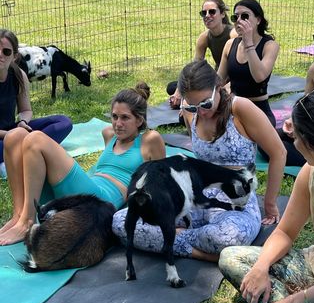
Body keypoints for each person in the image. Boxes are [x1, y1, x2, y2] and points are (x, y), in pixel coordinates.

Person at [112, 60, 286, 263]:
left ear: (218, 88)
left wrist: (270, 203)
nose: (201, 112)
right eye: (193, 107)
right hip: (192, 196)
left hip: (233, 203)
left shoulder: (240, 109)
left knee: (227, 237)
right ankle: (199, 251)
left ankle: (173, 238)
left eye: (205, 103)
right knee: (121, 221)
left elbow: (278, 153)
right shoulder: (189, 110)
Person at [219, 87, 314, 303]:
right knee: (233, 258)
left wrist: (295, 300)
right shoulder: (312, 172)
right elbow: (285, 231)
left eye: (298, 136)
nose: (293, 141)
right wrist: (261, 267)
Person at [0, 82, 166, 245]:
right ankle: (18, 215)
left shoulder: (149, 140)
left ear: (139, 120)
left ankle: (27, 220)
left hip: (100, 200)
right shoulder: (109, 134)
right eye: (115, 116)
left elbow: (163, 180)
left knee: (35, 139)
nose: (118, 123)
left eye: (125, 118)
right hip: (83, 188)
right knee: (15, 136)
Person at [0, 29, 73, 168]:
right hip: (6, 136)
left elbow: (26, 109)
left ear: (14, 57)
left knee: (63, 122)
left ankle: (23, 151)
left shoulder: (18, 75)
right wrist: (13, 134)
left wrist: (22, 122)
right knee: (15, 142)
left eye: (6, 51)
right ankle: (33, 149)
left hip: (14, 132)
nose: (0, 55)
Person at [279, 18, 314, 166]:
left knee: (277, 149)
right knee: (271, 138)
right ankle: (308, 160)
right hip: (312, 130)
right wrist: (294, 121)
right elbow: (304, 105)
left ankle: (312, 161)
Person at [217, 0, 279, 128]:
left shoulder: (270, 45)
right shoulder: (230, 45)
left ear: (258, 20)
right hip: (233, 108)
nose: (239, 20)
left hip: (258, 110)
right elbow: (219, 81)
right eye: (235, 17)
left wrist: (248, 43)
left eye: (245, 16)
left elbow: (259, 76)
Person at [167, 0, 237, 110]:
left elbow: (240, 71)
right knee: (172, 87)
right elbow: (195, 68)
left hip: (234, 81)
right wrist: (178, 93)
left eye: (212, 12)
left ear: (223, 14)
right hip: (218, 78)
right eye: (204, 13)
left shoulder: (233, 34)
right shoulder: (204, 37)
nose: (207, 16)